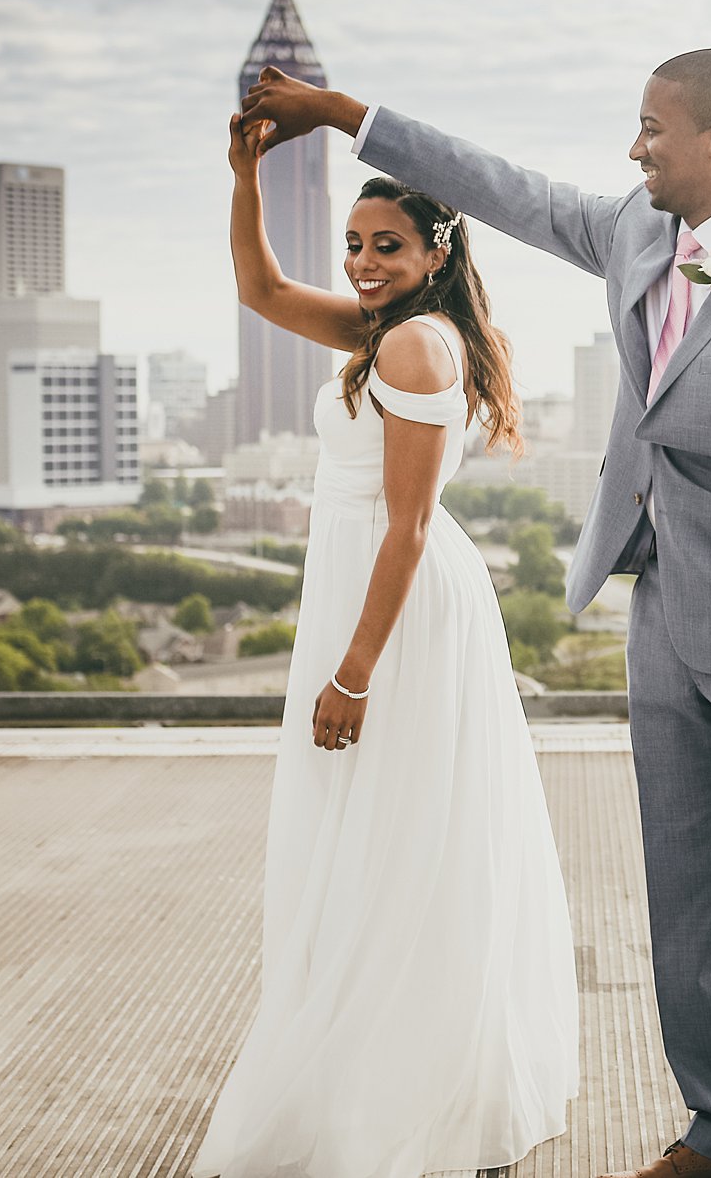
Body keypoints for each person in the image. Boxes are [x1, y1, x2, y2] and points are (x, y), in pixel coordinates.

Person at [240, 49, 711, 1178]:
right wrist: (343, 114)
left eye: (651, 129)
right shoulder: (634, 233)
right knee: (689, 900)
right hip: (664, 617)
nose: (633, 148)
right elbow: (497, 185)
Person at [190, 114, 579, 1178]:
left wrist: (351, 673)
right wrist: (243, 179)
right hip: (368, 586)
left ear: (436, 252)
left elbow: (406, 525)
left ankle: (397, 1097)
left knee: (397, 836)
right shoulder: (384, 329)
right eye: (354, 245)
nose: (363, 263)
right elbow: (263, 293)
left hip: (393, 607)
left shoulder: (412, 341)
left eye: (386, 247)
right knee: (392, 838)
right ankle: (392, 1078)